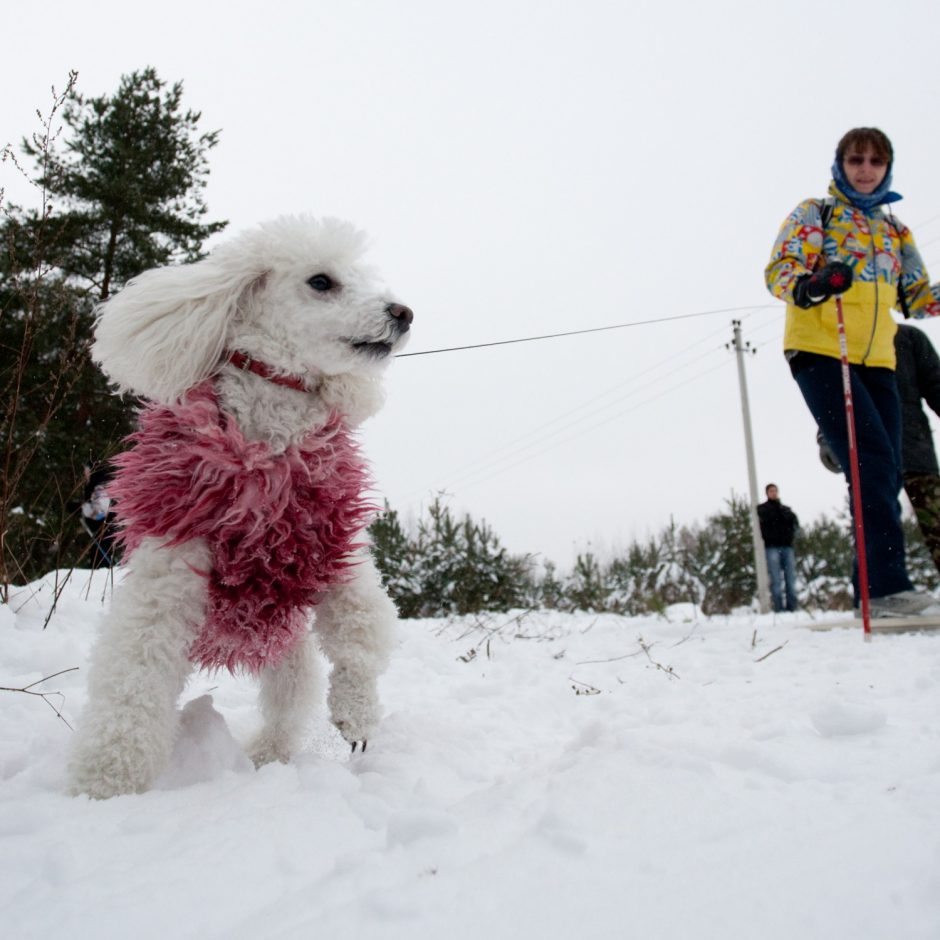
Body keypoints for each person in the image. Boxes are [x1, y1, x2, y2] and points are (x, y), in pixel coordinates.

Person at [765, 126, 940, 618]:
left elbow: (917, 296)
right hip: (822, 348)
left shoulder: (894, 229)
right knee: (873, 460)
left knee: (884, 470)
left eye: (875, 161)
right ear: (840, 164)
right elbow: (781, 270)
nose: (865, 169)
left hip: (878, 357)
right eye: (856, 160)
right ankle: (887, 590)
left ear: (887, 168)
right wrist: (815, 283)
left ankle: (872, 588)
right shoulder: (815, 213)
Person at [819, 323, 940, 577]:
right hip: (870, 455)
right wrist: (827, 441)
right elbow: (833, 397)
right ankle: (880, 592)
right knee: (876, 526)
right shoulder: (843, 340)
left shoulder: (908, 338)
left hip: (915, 451)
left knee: (935, 521)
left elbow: (936, 384)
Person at [757, 483, 799, 612]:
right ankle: (778, 608)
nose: (773, 493)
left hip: (787, 546)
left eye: (775, 491)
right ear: (767, 493)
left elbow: (794, 522)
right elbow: (767, 519)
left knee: (790, 578)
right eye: (771, 491)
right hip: (772, 547)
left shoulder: (785, 509)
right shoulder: (763, 509)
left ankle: (792, 607)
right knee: (776, 579)